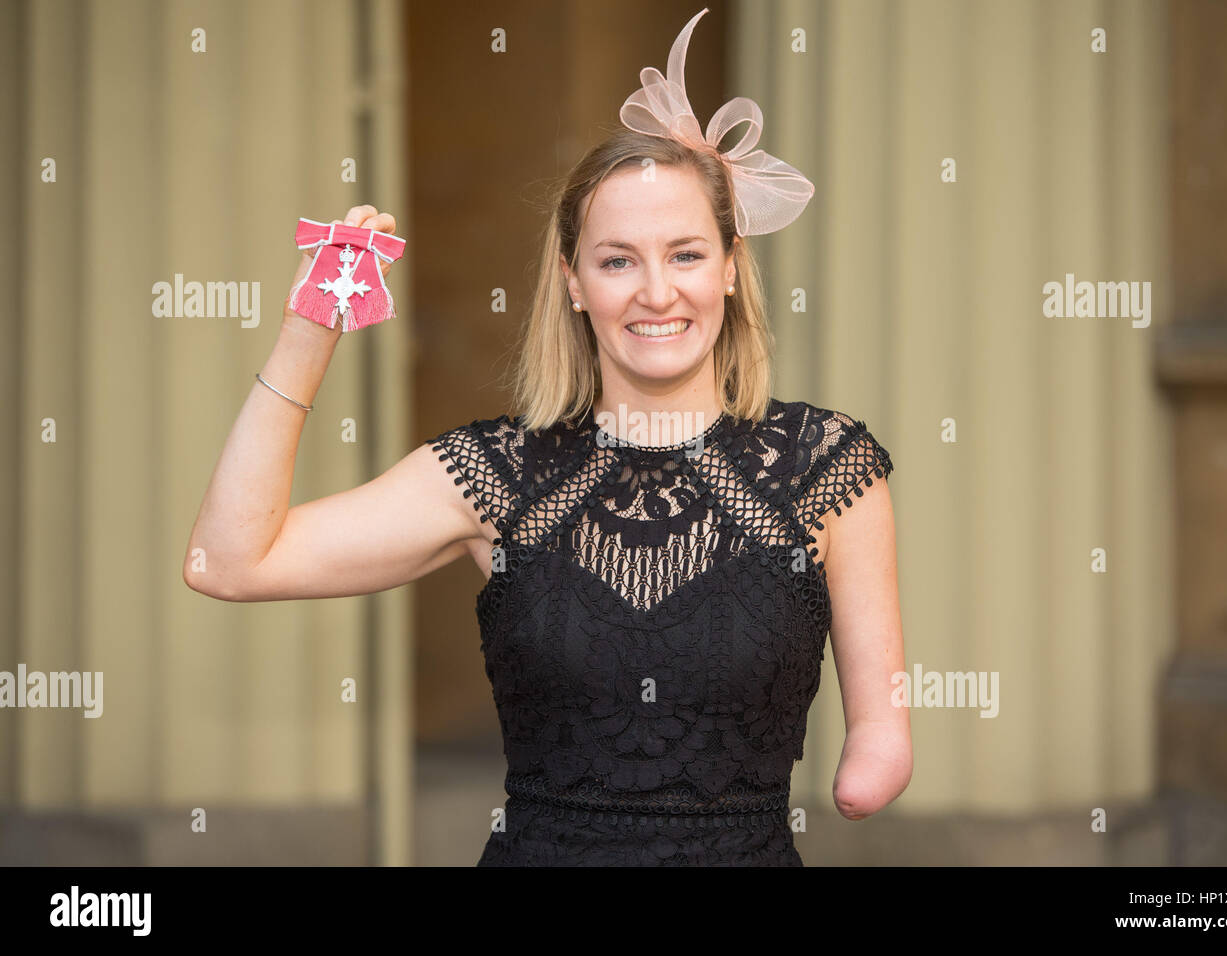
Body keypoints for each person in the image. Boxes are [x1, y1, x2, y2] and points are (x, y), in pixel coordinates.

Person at [184, 7, 909, 866]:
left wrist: (875, 759)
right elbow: (227, 563)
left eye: (684, 254)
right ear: (572, 282)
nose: (655, 292)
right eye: (616, 260)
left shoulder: (827, 464)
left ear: (729, 267)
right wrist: (309, 334)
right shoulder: (492, 471)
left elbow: (880, 735)